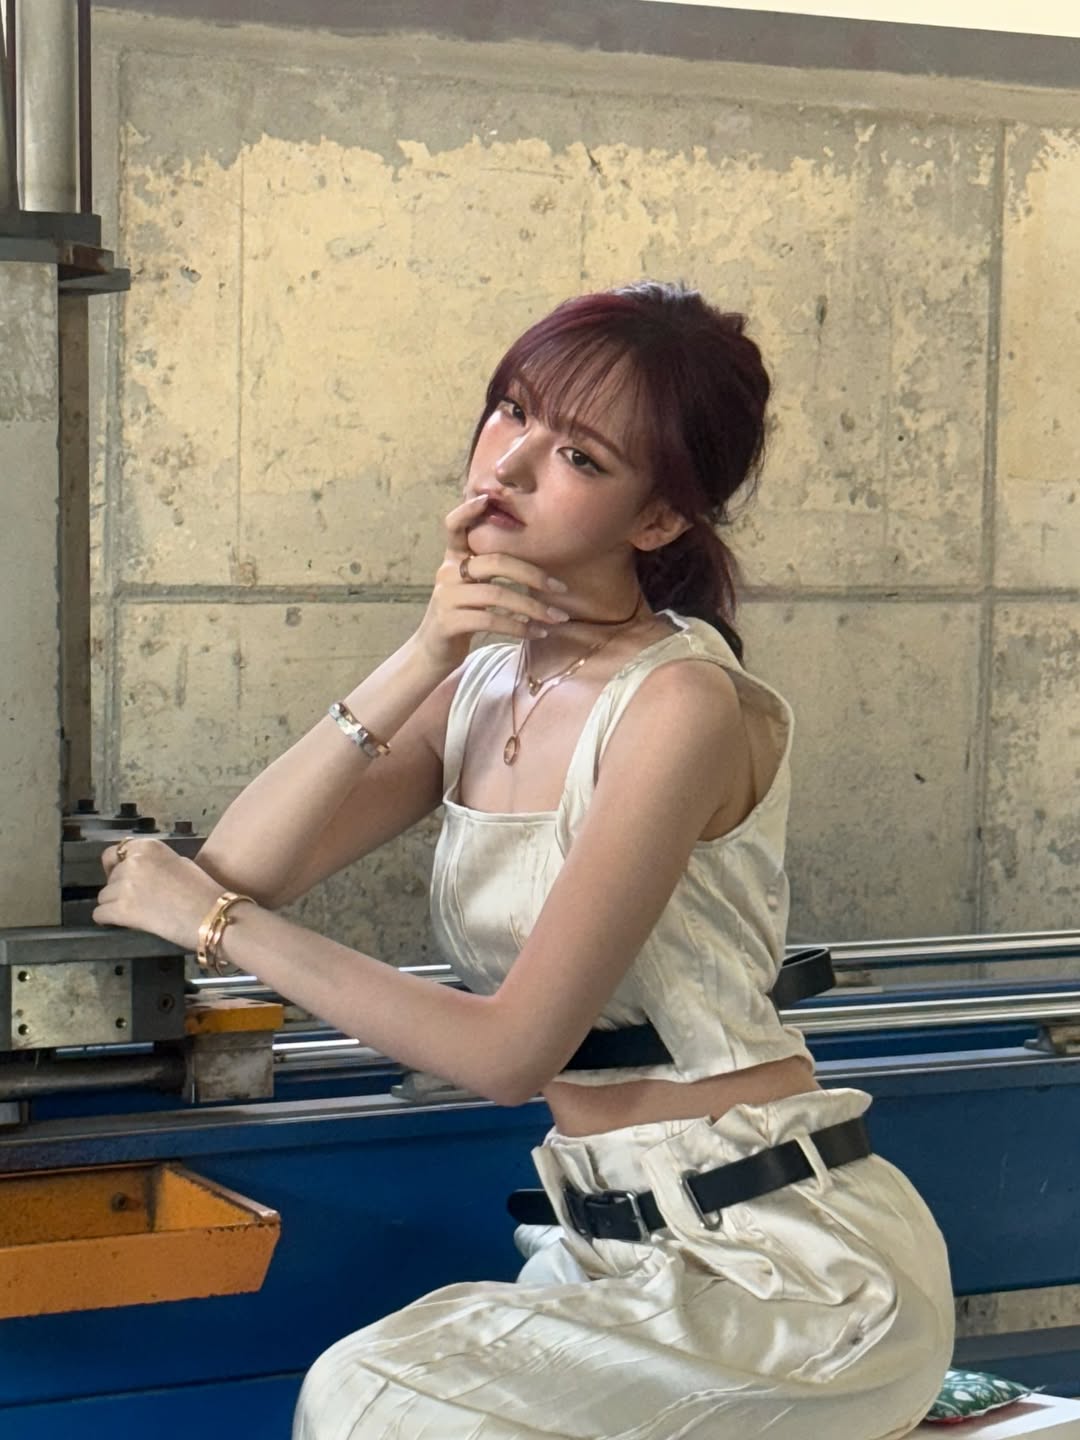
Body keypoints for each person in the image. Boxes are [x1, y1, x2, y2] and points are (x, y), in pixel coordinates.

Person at [95, 282, 954, 1439]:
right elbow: (249, 860)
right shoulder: (487, 676)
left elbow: (507, 1054)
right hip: (608, 1255)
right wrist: (425, 649)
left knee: (370, 1397)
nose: (509, 463)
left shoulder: (680, 704)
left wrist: (216, 931)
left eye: (580, 457)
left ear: (660, 521)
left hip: (789, 1276)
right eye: (510, 411)